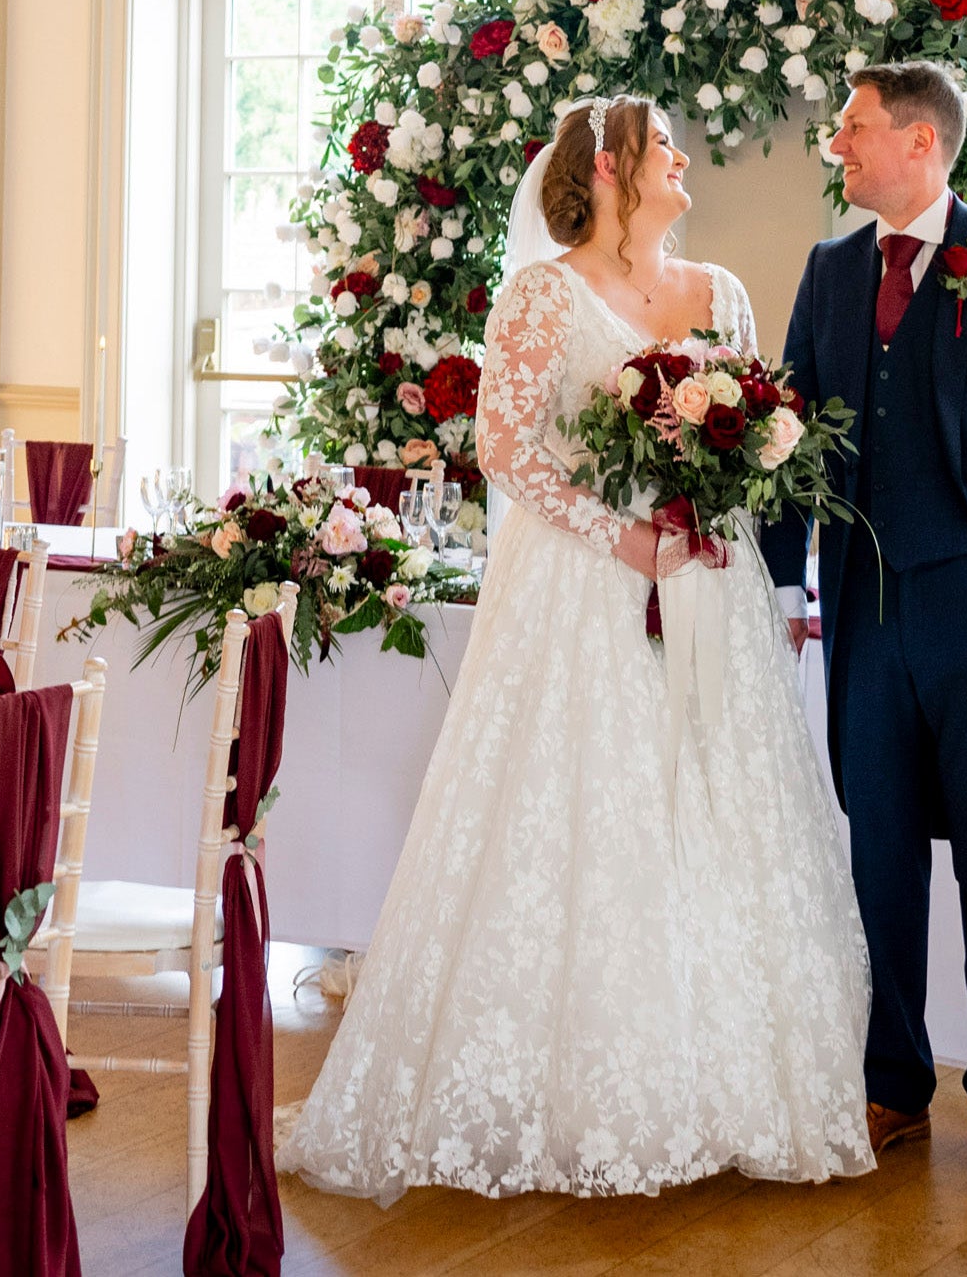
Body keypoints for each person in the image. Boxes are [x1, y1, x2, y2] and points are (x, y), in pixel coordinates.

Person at [277, 94, 872, 1201]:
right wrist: (623, 537)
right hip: (585, 590)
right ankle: (574, 1097)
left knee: (712, 806)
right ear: (610, 170)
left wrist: (713, 514)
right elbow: (505, 449)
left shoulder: (721, 293)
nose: (684, 161)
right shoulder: (541, 293)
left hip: (706, 578)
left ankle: (726, 1088)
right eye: (665, 149)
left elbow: (756, 433)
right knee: (587, 813)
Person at [762, 61, 967, 1196]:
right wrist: (779, 586)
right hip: (863, 605)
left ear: (919, 143)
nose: (838, 148)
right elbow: (786, 432)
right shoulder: (829, 268)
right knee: (879, 854)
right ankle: (892, 1082)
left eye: (852, 130)